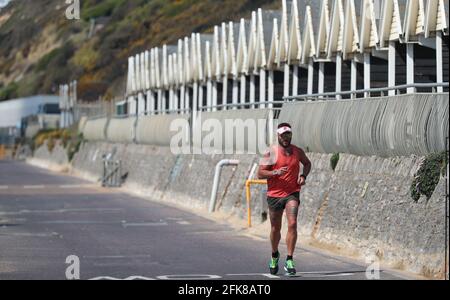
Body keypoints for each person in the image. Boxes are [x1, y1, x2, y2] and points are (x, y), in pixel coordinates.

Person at [257, 123, 312, 276]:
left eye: (288, 135)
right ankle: (274, 254)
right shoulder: (271, 152)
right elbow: (260, 173)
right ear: (278, 136)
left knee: (293, 224)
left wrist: (303, 176)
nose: (286, 138)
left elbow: (307, 163)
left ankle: (289, 259)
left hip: (292, 193)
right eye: (283, 135)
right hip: (274, 195)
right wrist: (275, 172)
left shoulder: (297, 151)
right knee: (275, 228)